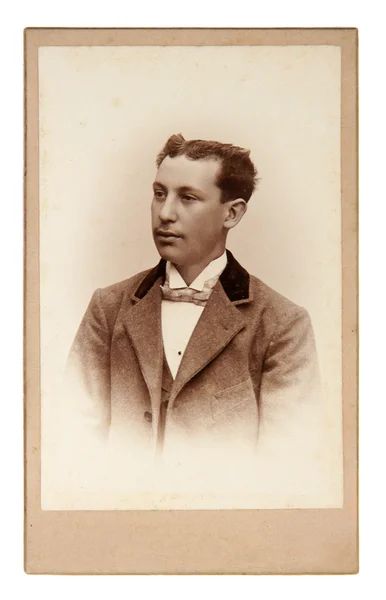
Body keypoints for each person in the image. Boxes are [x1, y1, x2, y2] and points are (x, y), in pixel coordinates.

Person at [64, 133, 326, 502]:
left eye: (187, 197)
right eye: (159, 193)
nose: (166, 212)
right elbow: (71, 442)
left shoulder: (282, 323)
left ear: (231, 213)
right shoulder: (108, 308)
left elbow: (287, 467)